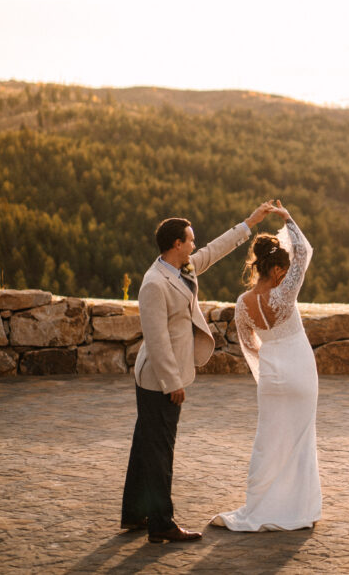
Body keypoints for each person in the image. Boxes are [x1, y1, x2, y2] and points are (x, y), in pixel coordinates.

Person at [121, 202, 275, 543]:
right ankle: (161, 524)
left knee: (146, 443)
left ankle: (135, 513)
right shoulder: (153, 284)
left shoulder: (183, 268)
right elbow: (157, 339)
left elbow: (216, 249)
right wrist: (172, 383)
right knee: (160, 449)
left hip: (164, 373)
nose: (194, 245)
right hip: (157, 378)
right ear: (176, 244)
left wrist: (250, 223)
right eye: (189, 240)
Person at [212, 200, 321, 531]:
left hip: (272, 377)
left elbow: (248, 345)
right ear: (276, 271)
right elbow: (303, 251)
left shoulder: (242, 305)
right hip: (300, 370)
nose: (288, 275)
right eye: (284, 272)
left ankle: (261, 505)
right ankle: (298, 509)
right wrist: (287, 218)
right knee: (301, 440)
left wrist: (268, 369)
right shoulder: (285, 295)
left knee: (268, 442)